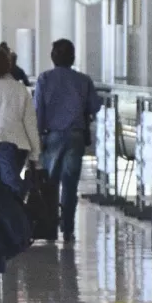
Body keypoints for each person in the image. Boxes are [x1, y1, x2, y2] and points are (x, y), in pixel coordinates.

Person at [33, 39, 102, 241]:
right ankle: (68, 228)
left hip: (52, 136)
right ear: (72, 57)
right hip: (75, 137)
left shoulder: (44, 79)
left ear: (53, 57)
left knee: (50, 184)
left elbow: (38, 111)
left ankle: (50, 226)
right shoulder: (83, 80)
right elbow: (95, 106)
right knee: (70, 184)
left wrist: (37, 139)